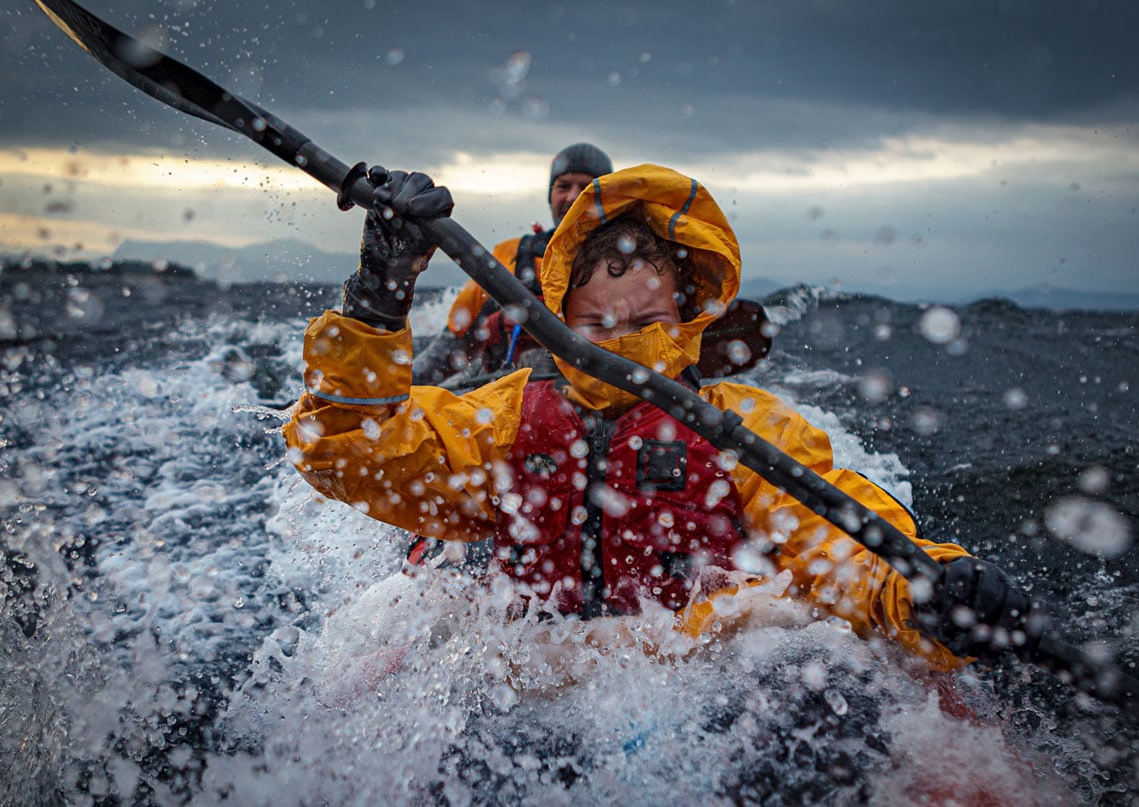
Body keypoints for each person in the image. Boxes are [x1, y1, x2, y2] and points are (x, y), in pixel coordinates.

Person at [284, 163, 1035, 671]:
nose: (623, 346)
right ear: (559, 318)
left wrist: (917, 589)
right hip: (531, 677)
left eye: (647, 319)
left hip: (695, 671)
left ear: (687, 318)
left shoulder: (748, 429)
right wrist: (378, 298)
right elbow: (348, 452)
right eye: (599, 325)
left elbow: (834, 540)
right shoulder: (506, 417)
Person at [412, 143, 614, 385]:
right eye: (563, 186)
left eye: (586, 187)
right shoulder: (510, 256)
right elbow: (445, 354)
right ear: (550, 196)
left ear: (606, 200)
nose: (572, 196)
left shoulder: (631, 265)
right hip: (514, 405)